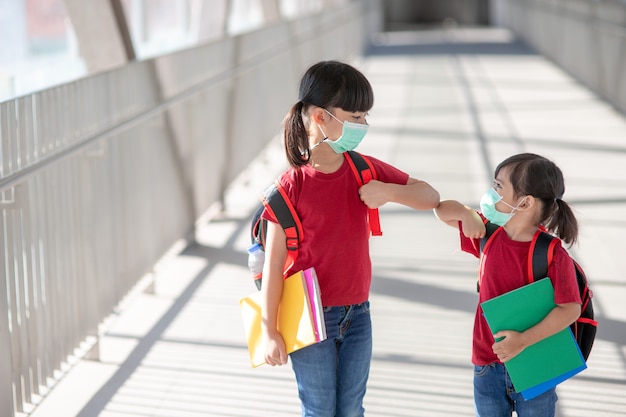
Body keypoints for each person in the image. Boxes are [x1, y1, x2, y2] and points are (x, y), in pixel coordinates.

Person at [260, 60, 440, 416]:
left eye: (365, 117)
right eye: (355, 116)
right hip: (308, 316)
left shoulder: (364, 170)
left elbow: (430, 196)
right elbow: (273, 265)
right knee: (320, 409)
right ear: (320, 117)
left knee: (351, 408)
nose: (363, 125)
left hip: (359, 315)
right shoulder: (288, 189)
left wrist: (387, 192)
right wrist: (269, 331)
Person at [434, 153, 582, 417]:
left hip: (534, 365)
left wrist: (522, 341)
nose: (492, 192)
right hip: (487, 364)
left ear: (525, 203)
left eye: (499, 186)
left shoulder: (551, 252)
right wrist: (466, 213)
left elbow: (569, 309)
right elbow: (441, 209)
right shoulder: (487, 233)